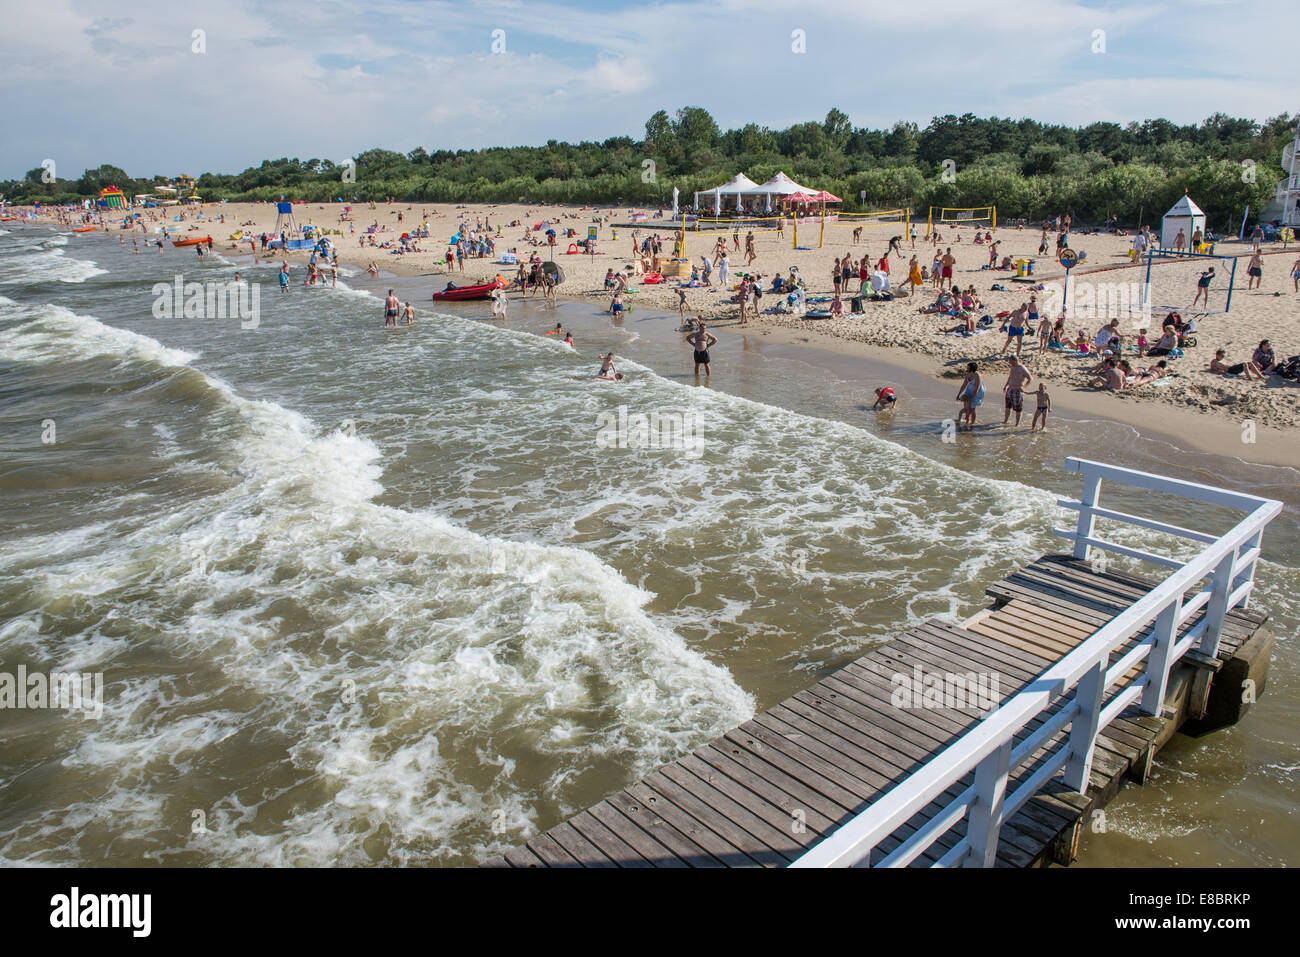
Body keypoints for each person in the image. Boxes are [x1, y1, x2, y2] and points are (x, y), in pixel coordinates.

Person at [1002, 354, 1033, 426]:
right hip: (1010, 389)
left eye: (1010, 362)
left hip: (1017, 390)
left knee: (1018, 408)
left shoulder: (1022, 368)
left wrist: (1024, 387)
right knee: (1007, 406)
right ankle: (1005, 421)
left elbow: (1030, 378)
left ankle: (1017, 424)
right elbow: (1010, 377)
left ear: (1014, 361)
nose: (1009, 363)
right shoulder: (1012, 367)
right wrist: (1005, 386)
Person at [957, 362, 983, 427]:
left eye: (968, 367)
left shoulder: (977, 376)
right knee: (967, 405)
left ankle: (972, 424)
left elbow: (977, 388)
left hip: (978, 391)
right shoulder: (968, 374)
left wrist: (972, 398)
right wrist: (958, 394)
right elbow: (964, 385)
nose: (966, 368)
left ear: (972, 369)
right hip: (970, 388)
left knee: (973, 407)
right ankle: (967, 418)